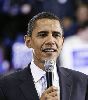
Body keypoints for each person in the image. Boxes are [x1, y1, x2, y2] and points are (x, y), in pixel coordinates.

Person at [0, 12, 88, 100]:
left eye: (56, 35)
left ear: (62, 42)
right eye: (43, 35)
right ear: (28, 42)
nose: (50, 41)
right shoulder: (5, 85)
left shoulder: (82, 81)